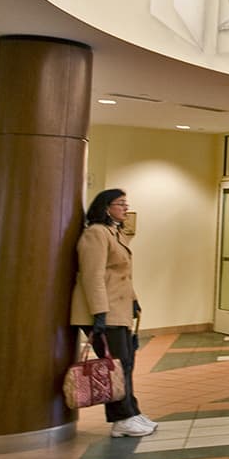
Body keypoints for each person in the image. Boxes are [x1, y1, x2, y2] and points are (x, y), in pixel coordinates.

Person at [71, 188, 155, 438]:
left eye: (126, 203)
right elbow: (92, 276)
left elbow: (121, 276)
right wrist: (99, 313)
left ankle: (132, 411)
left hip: (119, 310)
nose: (125, 208)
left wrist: (134, 302)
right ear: (106, 207)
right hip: (103, 312)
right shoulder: (95, 234)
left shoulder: (114, 233)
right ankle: (121, 420)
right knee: (114, 366)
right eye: (121, 204)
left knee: (125, 363)